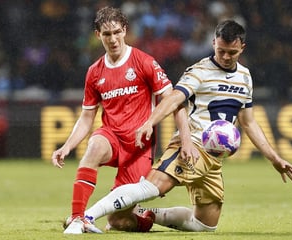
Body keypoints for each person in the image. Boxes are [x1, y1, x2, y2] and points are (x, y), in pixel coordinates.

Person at [83, 19, 292, 232]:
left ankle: (145, 214)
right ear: (214, 42)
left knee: (205, 225)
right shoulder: (200, 71)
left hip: (214, 157)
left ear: (242, 48)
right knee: (152, 187)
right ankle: (85, 217)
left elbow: (249, 122)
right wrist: (151, 121)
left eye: (231, 53)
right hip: (193, 145)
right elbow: (175, 98)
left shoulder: (245, 77)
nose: (225, 57)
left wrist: (274, 158)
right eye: (221, 50)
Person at [51, 6, 192, 234]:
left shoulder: (144, 62)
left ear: (125, 30)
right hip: (112, 137)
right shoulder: (94, 72)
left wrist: (186, 140)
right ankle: (78, 218)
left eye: (117, 32)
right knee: (94, 146)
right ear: (98, 35)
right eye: (107, 34)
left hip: (139, 147)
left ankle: (147, 217)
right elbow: (87, 117)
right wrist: (67, 146)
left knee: (119, 222)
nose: (113, 39)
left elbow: (174, 101)